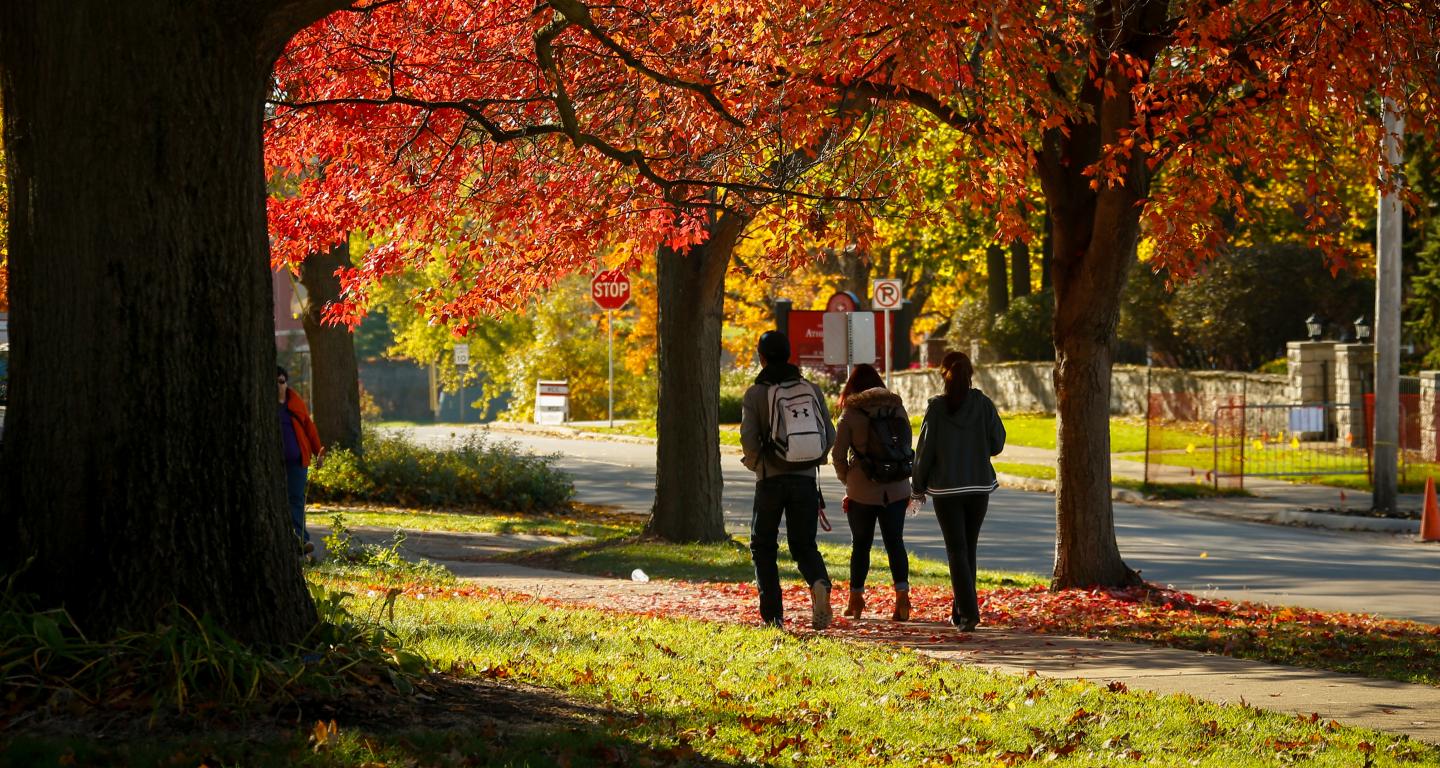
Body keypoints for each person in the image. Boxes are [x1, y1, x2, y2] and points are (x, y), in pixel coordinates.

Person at [740, 331, 837, 630]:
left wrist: (759, 464)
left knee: (764, 546)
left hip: (770, 479)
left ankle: (773, 616)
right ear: (789, 353)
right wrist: (811, 461)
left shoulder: (756, 394)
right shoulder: (810, 389)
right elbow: (829, 435)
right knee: (804, 544)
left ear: (762, 357)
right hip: (806, 480)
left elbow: (748, 439)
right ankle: (819, 582)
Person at [911, 351, 1005, 631]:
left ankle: (967, 612)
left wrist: (917, 487)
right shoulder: (983, 404)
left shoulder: (937, 409)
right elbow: (997, 443)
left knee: (956, 549)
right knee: (968, 548)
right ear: (970, 373)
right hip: (978, 486)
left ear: (943, 375)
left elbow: (924, 452)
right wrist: (977, 447)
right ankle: (961, 611)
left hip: (946, 488)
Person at [831, 363, 913, 621]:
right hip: (897, 488)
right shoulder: (897, 408)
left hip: (862, 489)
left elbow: (838, 454)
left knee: (861, 545)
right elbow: (906, 443)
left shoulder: (851, 413)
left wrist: (849, 479)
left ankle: (855, 600)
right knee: (895, 542)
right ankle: (902, 599)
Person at [278, 365, 323, 554]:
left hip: (297, 462)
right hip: (275, 464)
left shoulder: (295, 404)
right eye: (274, 382)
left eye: (281, 381)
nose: (278, 386)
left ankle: (301, 540)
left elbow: (309, 428)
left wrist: (317, 451)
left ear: (286, 383)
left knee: (296, 500)